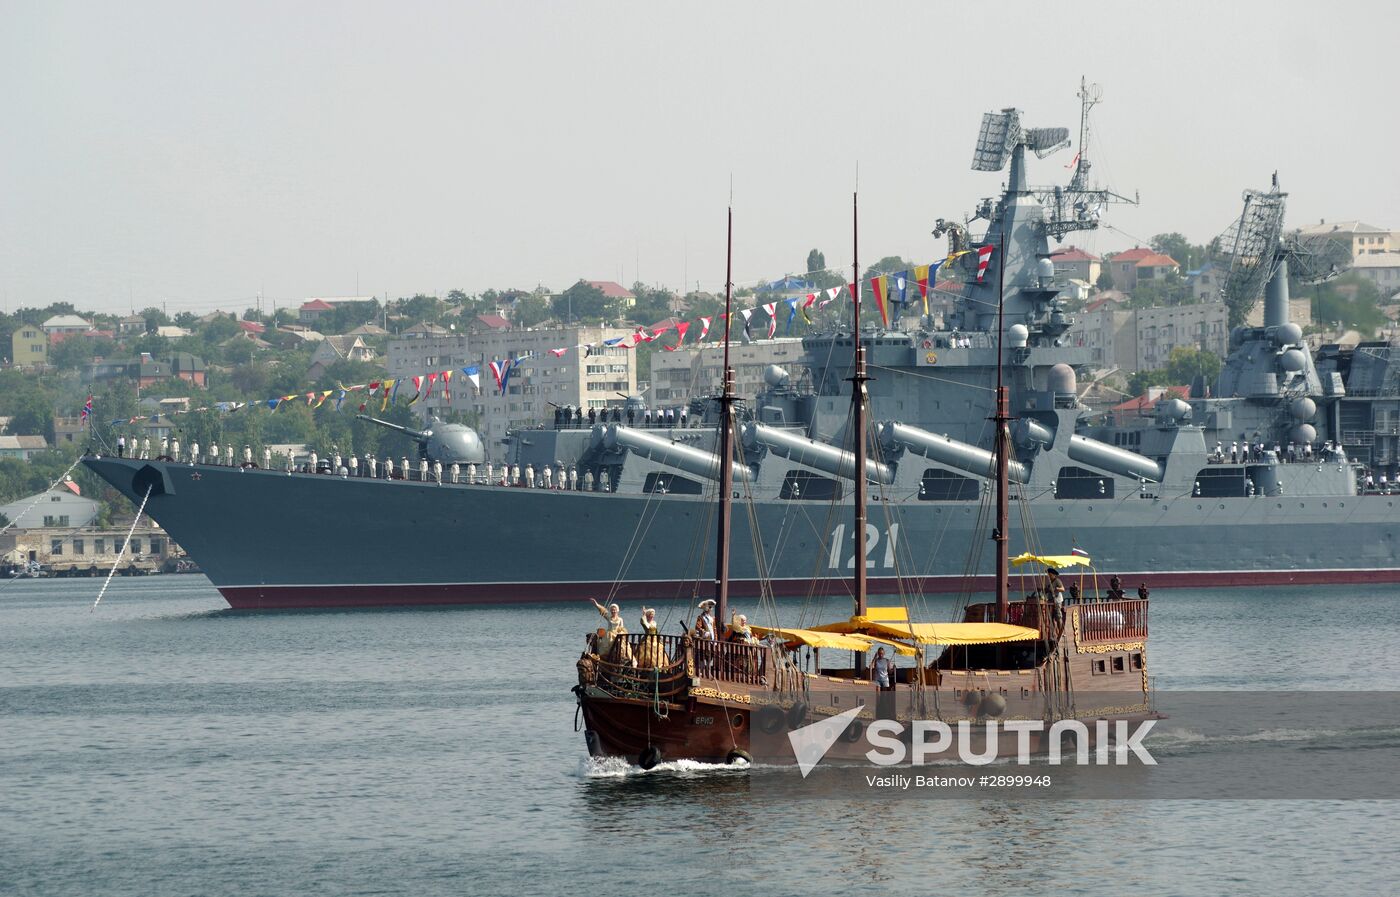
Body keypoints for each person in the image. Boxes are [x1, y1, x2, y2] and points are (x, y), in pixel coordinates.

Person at [588, 598, 630, 663]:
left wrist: (620, 634)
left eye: (615, 610)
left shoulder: (620, 619)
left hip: (617, 635)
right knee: (605, 647)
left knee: (622, 644)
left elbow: (622, 628)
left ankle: (621, 658)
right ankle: (605, 658)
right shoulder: (609, 617)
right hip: (609, 635)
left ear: (617, 610)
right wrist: (596, 604)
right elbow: (603, 611)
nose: (613, 611)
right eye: (612, 610)